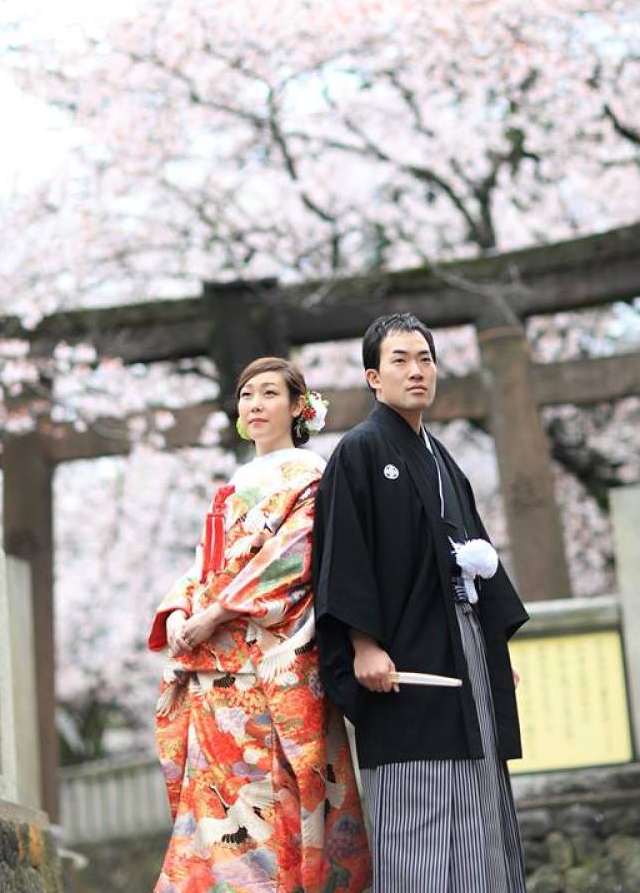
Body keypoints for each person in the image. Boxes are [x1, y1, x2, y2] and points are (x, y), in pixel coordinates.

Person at [313, 313, 529, 893]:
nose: (416, 372)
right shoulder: (358, 452)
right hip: (402, 659)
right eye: (401, 361)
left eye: (425, 359)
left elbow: (476, 554)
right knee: (419, 806)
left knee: (479, 792)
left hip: (463, 649)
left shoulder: (442, 460)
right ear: (373, 378)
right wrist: (362, 643)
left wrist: (490, 644)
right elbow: (344, 555)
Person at [148, 356, 371, 893]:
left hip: (268, 659)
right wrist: (181, 609)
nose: (255, 405)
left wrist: (218, 613)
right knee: (214, 802)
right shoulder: (235, 482)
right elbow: (206, 559)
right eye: (247, 395)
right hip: (213, 665)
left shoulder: (312, 476)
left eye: (269, 394)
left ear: (299, 406)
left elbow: (293, 559)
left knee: (271, 799)